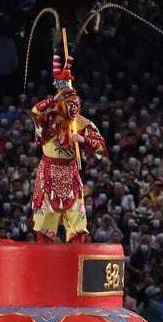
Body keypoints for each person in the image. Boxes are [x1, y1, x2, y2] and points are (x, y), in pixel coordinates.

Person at [30, 55, 107, 243]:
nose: (72, 107)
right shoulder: (49, 118)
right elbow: (35, 111)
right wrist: (55, 97)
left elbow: (101, 148)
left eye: (75, 104)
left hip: (70, 172)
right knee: (45, 219)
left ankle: (75, 256)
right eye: (68, 103)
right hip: (48, 171)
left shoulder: (82, 123)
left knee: (77, 221)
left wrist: (83, 139)